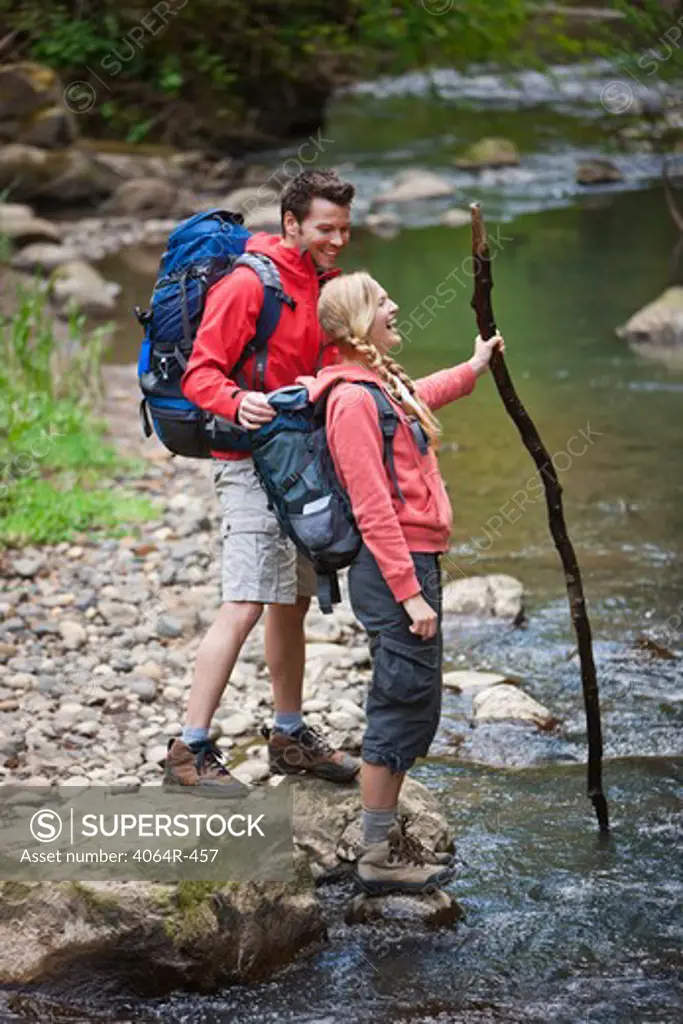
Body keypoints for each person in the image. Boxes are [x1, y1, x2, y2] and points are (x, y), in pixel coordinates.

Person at [303, 271, 503, 894]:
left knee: (414, 697)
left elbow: (424, 395)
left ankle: (382, 843)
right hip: (393, 570)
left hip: (412, 565)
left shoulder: (379, 385)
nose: (394, 306)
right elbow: (371, 507)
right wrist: (409, 592)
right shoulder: (352, 401)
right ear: (360, 322)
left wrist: (475, 365)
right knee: (399, 699)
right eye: (382, 300)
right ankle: (375, 853)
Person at [164, 169, 360, 789]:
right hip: (246, 463)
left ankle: (289, 733)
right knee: (246, 598)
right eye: (326, 228)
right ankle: (188, 751)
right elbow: (201, 374)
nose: (337, 239)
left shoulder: (325, 284)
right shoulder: (250, 284)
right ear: (292, 223)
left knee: (292, 600)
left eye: (345, 229)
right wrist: (235, 401)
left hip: (301, 461)